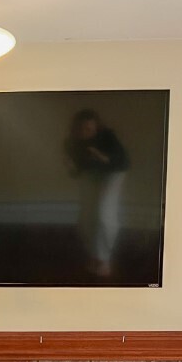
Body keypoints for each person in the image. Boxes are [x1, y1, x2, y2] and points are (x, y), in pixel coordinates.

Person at [65, 109, 129, 277]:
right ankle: (94, 255)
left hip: (114, 172)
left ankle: (104, 259)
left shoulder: (108, 137)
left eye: (89, 129)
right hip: (90, 173)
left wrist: (100, 156)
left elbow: (120, 160)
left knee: (104, 213)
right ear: (74, 129)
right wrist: (71, 166)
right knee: (86, 216)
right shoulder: (70, 143)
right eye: (80, 129)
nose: (84, 133)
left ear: (97, 128)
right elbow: (76, 172)